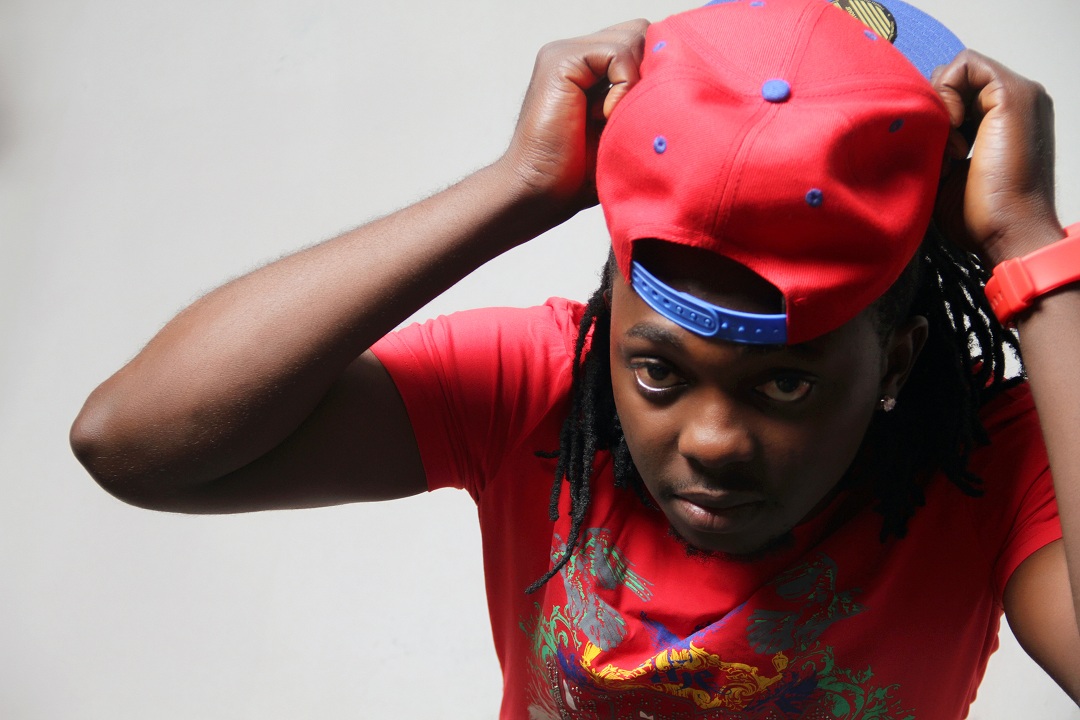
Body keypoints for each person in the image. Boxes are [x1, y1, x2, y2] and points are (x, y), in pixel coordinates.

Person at [70, 0, 1079, 717]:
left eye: (785, 383)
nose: (712, 441)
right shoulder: (545, 385)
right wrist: (520, 184)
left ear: (897, 360)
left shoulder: (990, 463)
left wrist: (1030, 249)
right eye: (659, 373)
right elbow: (133, 444)